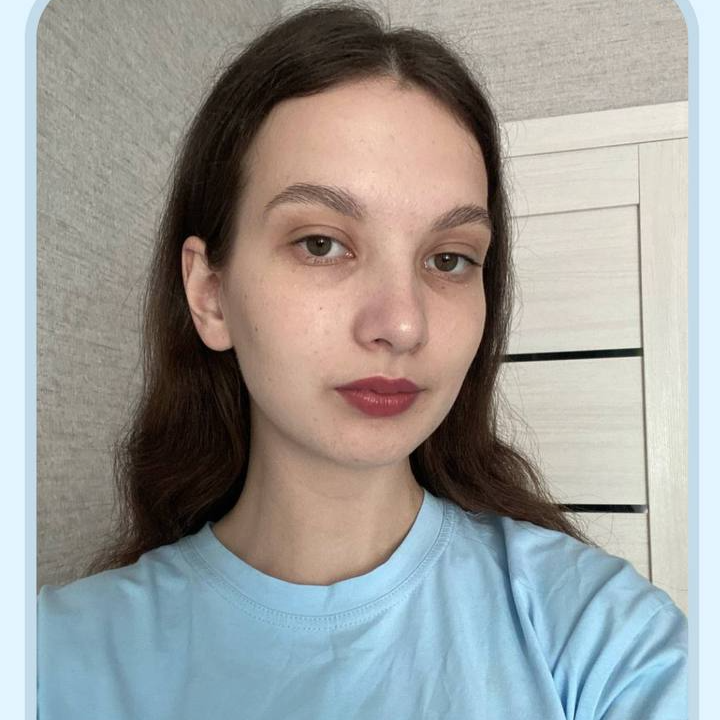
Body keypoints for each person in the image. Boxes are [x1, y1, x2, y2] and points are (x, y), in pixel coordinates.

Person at [37, 2, 687, 718]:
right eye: (321, 244)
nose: (403, 324)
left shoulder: (605, 639)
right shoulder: (50, 661)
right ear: (211, 294)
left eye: (449, 258)